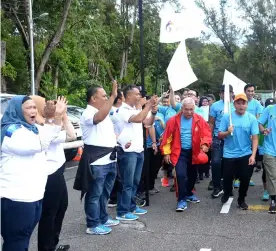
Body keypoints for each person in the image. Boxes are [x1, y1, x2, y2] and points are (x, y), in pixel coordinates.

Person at [1, 95, 66, 251]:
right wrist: (52, 118)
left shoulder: (31, 128)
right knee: (16, 241)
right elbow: (38, 145)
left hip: (34, 196)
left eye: (34, 107)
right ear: (17, 110)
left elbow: (53, 135)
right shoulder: (11, 131)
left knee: (23, 240)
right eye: (28, 108)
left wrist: (58, 117)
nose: (33, 111)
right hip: (16, 199)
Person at [75, 82, 121, 235]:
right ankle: (93, 224)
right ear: (94, 98)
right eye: (104, 96)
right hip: (97, 161)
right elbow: (98, 118)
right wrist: (114, 96)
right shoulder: (88, 113)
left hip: (110, 159)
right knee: (94, 194)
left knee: (105, 193)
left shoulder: (105, 112)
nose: (107, 98)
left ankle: (103, 217)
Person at [31, 96, 76, 251]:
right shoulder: (40, 127)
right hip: (49, 173)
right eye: (45, 104)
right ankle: (46, 249)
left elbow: (72, 135)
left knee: (61, 207)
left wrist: (63, 115)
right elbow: (66, 135)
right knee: (49, 212)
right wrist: (55, 117)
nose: (49, 105)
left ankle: (52, 244)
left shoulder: (50, 124)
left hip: (58, 171)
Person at [114, 85, 158, 221]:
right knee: (127, 182)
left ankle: (131, 206)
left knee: (135, 181)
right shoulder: (123, 110)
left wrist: (153, 111)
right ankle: (122, 211)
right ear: (128, 96)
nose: (140, 96)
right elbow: (138, 119)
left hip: (139, 150)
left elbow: (147, 122)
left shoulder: (135, 109)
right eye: (137, 94)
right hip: (128, 151)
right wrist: (148, 105)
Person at [161, 98, 212, 212]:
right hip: (179, 152)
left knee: (193, 175)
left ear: (194, 108)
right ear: (181, 109)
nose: (189, 112)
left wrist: (205, 144)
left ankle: (189, 193)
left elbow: (207, 134)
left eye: (191, 109)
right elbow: (166, 139)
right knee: (180, 175)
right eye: (186, 109)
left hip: (194, 152)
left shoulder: (199, 119)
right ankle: (181, 200)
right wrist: (166, 153)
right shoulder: (173, 121)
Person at [218, 93, 259, 210]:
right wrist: (227, 132)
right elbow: (219, 135)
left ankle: (241, 199)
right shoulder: (227, 117)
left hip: (245, 153)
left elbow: (255, 138)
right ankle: (226, 193)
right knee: (227, 178)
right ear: (234, 104)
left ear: (247, 105)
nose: (241, 106)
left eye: (243, 103)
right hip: (229, 154)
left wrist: (253, 155)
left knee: (245, 178)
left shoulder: (251, 118)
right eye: (238, 103)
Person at [208, 84, 234, 198]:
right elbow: (211, 122)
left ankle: (228, 186)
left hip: (232, 139)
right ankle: (216, 186)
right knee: (216, 162)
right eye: (223, 92)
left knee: (229, 163)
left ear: (232, 93)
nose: (226, 94)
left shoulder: (236, 105)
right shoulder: (215, 106)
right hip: (218, 138)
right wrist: (209, 138)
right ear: (220, 93)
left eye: (228, 92)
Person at [258, 97, 276, 201]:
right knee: (266, 170)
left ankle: (275, 188)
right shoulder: (264, 117)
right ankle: (266, 190)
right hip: (264, 147)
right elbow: (259, 127)